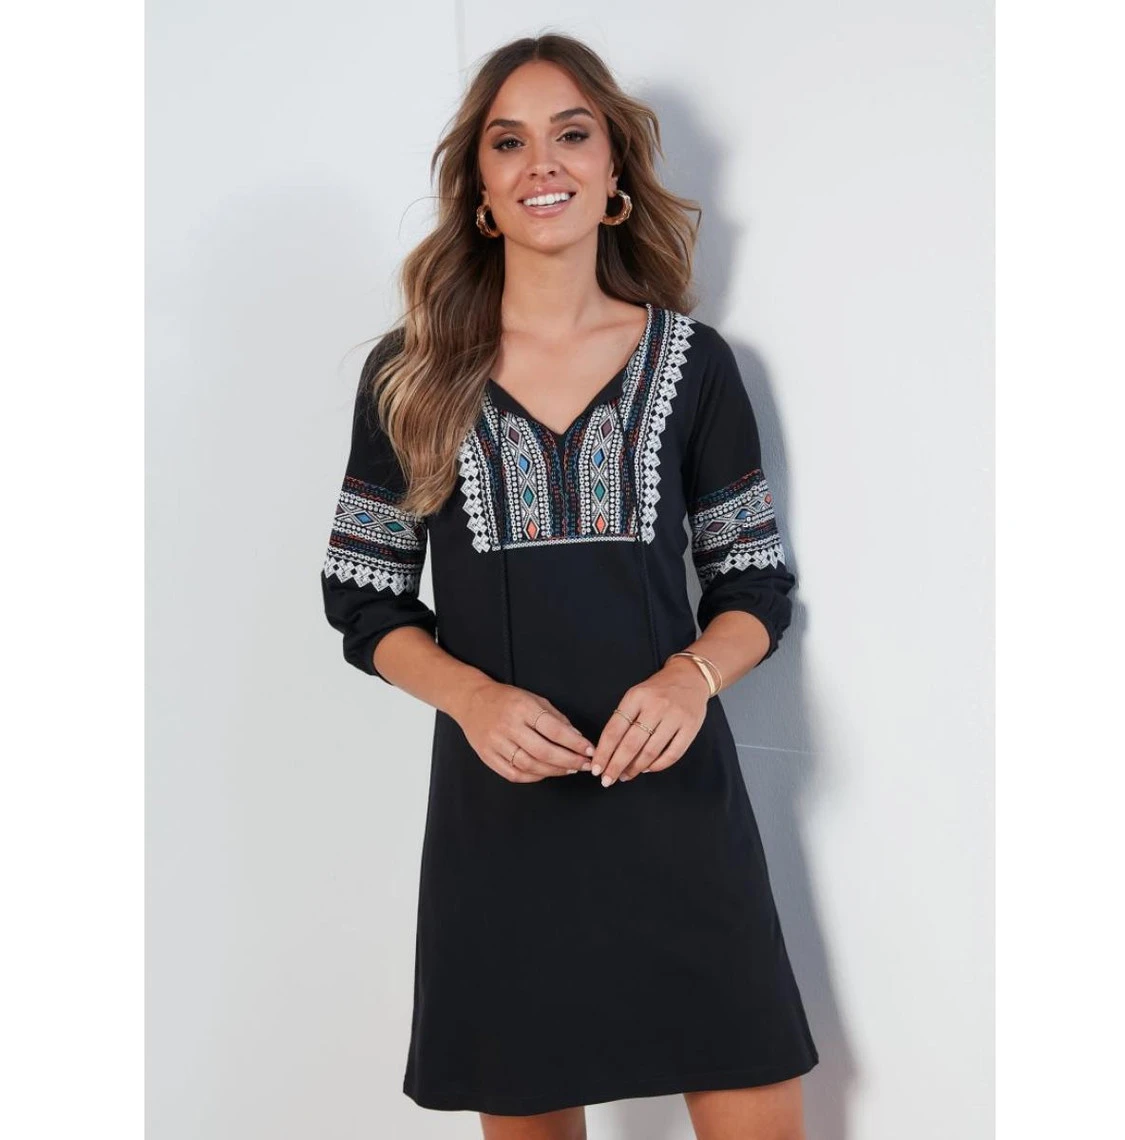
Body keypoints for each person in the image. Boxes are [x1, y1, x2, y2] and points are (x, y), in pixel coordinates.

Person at [321, 33, 818, 1140]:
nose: (541, 161)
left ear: (613, 173)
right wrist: (472, 699)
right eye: (508, 142)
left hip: (680, 813)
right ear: (481, 191)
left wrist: (692, 680)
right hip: (504, 829)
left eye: (571, 133)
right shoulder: (411, 373)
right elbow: (364, 597)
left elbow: (753, 584)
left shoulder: (694, 364)